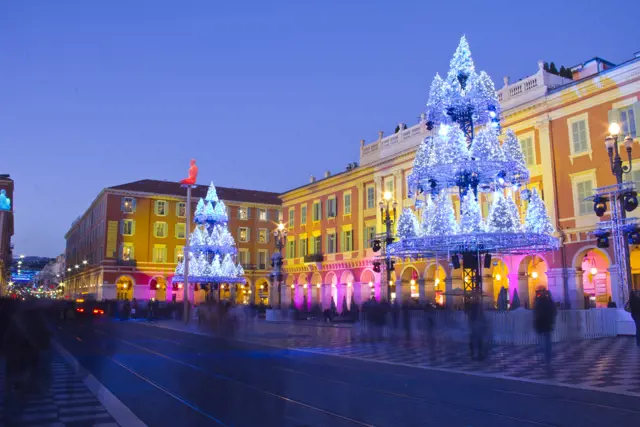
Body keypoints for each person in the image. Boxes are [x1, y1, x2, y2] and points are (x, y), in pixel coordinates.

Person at [533, 290, 557, 372]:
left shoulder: (539, 303)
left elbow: (537, 314)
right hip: (547, 325)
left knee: (543, 344)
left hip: (542, 325)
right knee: (547, 344)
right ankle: (547, 361)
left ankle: (544, 360)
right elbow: (554, 312)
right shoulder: (549, 303)